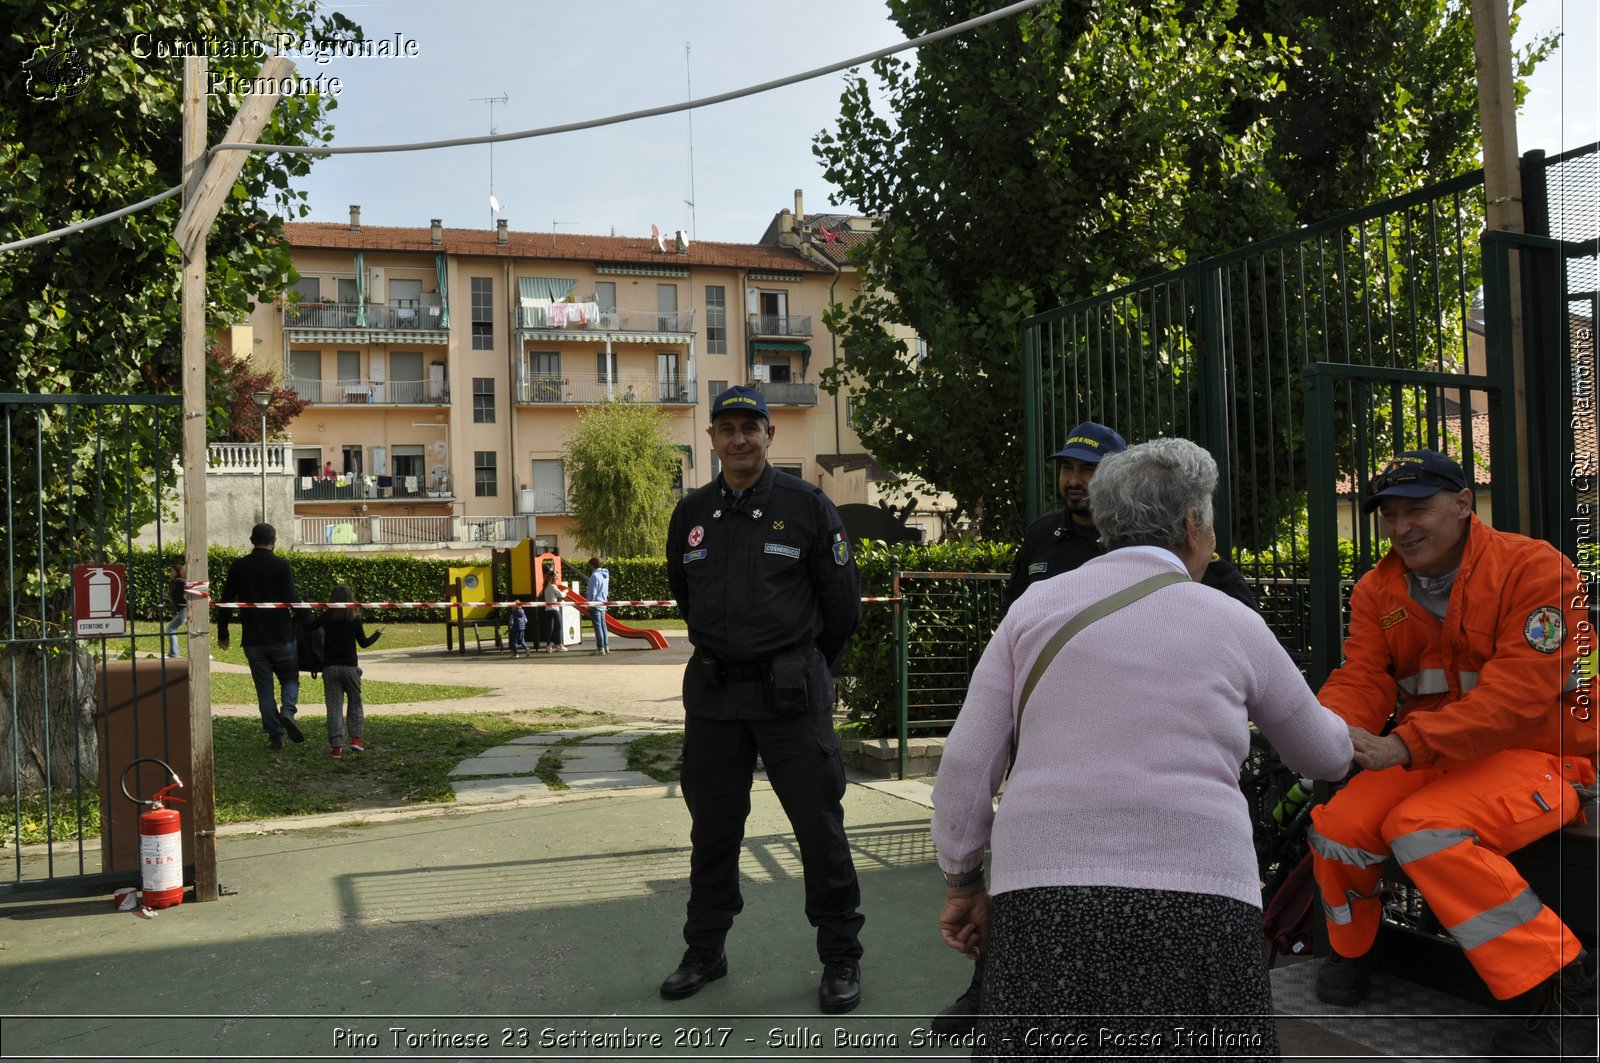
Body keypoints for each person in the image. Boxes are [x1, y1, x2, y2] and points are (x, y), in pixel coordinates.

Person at [931, 438, 1353, 1058]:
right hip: (1203, 897)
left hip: (1045, 896)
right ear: (1192, 524)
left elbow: (967, 764)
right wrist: (1353, 737)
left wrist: (964, 881)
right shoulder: (1232, 620)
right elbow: (1321, 754)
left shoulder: (1033, 609)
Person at [1307, 449, 1597, 1057]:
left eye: (1417, 509)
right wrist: (1326, 732)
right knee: (1340, 825)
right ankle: (1355, 952)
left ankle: (1566, 990)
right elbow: (1363, 677)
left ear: (1464, 505)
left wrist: (1403, 744)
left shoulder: (1537, 570)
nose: (1400, 527)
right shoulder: (1377, 589)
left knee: (1425, 829)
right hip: (1437, 755)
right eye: (1389, 515)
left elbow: (1517, 700)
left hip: (1544, 754)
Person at [661, 385, 865, 1014]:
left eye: (752, 427)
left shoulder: (807, 507)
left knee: (818, 828)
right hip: (717, 697)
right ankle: (706, 950)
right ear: (713, 439)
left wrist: (801, 667)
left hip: (790, 698)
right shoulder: (691, 513)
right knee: (713, 831)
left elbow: (841, 610)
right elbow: (685, 599)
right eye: (727, 428)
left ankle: (840, 957)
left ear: (769, 436)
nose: (739, 438)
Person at [217, 523, 306, 750]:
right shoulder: (282, 565)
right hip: (281, 635)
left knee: (264, 688)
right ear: (274, 541)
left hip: (253, 639)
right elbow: (291, 597)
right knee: (290, 678)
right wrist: (310, 619)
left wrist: (223, 632)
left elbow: (226, 600)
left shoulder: (238, 566)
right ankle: (288, 711)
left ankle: (276, 736)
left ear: (250, 540)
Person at [304, 585, 382, 759]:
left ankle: (337, 747)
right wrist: (377, 634)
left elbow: (308, 627)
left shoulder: (326, 617)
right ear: (351, 600)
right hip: (350, 668)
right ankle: (355, 739)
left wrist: (308, 610)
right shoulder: (354, 620)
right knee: (355, 702)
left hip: (330, 668)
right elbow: (363, 643)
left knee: (333, 707)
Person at [585, 557, 611, 655]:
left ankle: (600, 648)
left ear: (592, 565)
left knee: (598, 627)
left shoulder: (594, 576)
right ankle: (606, 646)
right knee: (603, 626)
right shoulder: (605, 576)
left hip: (595, 604)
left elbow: (592, 592)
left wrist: (589, 603)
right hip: (603, 602)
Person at [163, 562, 187, 658]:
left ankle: (174, 654)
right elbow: (176, 598)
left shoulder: (179, 581)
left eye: (171, 571)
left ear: (177, 572)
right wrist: (166, 596)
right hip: (184, 610)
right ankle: (206, 653)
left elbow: (188, 586)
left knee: (171, 629)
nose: (170, 572)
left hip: (185, 610)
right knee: (195, 632)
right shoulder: (175, 582)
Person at [540, 568, 566, 652]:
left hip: (547, 609)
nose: (556, 579)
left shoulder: (545, 587)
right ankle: (559, 645)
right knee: (559, 626)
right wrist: (565, 591)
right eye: (556, 578)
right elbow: (561, 595)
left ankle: (548, 646)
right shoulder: (552, 586)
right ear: (552, 578)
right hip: (554, 609)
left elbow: (541, 594)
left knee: (549, 628)